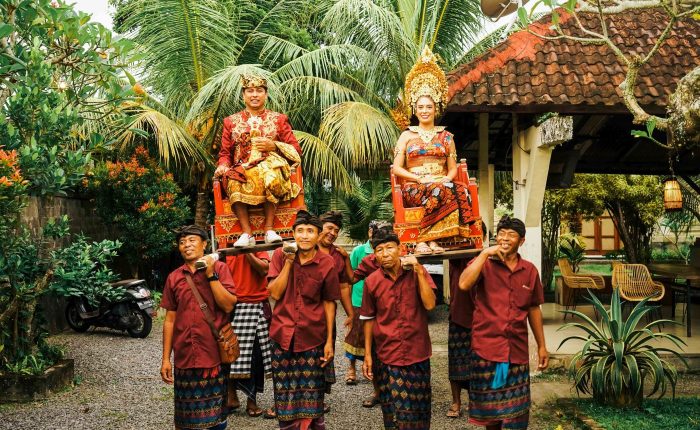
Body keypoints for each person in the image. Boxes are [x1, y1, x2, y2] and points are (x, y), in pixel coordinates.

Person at [458, 216, 549, 429]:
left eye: (512, 235)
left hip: (516, 351)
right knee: (491, 414)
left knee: (518, 415)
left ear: (522, 241)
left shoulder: (529, 270)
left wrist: (542, 346)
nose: (505, 238)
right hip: (487, 349)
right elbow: (464, 284)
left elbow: (533, 308)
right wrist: (483, 253)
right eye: (501, 233)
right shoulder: (484, 263)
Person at [391, 46, 476, 255]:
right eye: (420, 107)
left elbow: (453, 169)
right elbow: (396, 170)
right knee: (442, 192)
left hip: (440, 184)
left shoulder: (447, 137)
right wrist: (420, 180)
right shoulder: (406, 136)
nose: (424, 111)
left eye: (428, 107)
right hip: (414, 187)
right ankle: (428, 239)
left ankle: (427, 241)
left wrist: (443, 179)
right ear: (414, 109)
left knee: (454, 189)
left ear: (436, 108)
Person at [267, 210, 340, 430]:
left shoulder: (326, 263)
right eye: (300, 231)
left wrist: (329, 342)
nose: (305, 236)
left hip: (313, 337)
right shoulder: (281, 256)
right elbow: (275, 293)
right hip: (282, 336)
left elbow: (329, 303)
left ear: (318, 235)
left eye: (310, 231)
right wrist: (289, 263)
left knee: (312, 400)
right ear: (293, 234)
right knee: (285, 396)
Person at [160, 225, 238, 430]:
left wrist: (211, 275)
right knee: (185, 419)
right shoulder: (174, 277)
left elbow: (229, 304)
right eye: (182, 242)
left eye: (192, 240)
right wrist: (165, 359)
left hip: (213, 353)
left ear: (204, 244)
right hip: (184, 356)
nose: (187, 245)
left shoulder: (220, 269)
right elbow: (169, 319)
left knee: (216, 418)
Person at [361, 227, 437, 429]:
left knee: (420, 410)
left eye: (389, 248)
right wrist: (368, 354)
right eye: (379, 250)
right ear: (374, 254)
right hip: (387, 355)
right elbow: (368, 318)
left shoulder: (417, 273)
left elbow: (430, 305)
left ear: (400, 248)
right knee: (394, 414)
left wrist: (419, 270)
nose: (385, 254)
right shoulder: (372, 281)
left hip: (417, 353)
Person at [214, 74, 302, 247]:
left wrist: (274, 145)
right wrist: (223, 166)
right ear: (243, 95)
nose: (254, 95)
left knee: (270, 174)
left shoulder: (278, 119)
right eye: (250, 91)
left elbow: (296, 150)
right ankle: (247, 233)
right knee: (233, 178)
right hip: (243, 167)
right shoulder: (230, 122)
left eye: (259, 91)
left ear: (266, 94)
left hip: (272, 165)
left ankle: (269, 229)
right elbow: (225, 153)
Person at [225, 250, 275, 419]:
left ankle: (251, 400)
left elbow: (263, 269)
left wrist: (246, 250)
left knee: (256, 357)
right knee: (229, 353)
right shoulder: (225, 249)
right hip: (232, 305)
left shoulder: (257, 248)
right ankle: (231, 397)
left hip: (256, 304)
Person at [317, 211, 355, 408]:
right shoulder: (304, 248)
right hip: (302, 315)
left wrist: (351, 314)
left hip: (327, 316)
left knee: (324, 354)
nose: (332, 233)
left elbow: (344, 286)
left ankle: (318, 399)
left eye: (336, 230)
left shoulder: (337, 255)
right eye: (329, 228)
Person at [343, 220, 383, 385]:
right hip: (359, 300)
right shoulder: (360, 251)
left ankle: (374, 368)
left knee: (376, 338)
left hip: (380, 303)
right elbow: (350, 277)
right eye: (377, 233)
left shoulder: (388, 252)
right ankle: (351, 368)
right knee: (355, 336)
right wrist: (349, 309)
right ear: (369, 233)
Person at [446, 258, 474, 418]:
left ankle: (474, 400)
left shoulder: (484, 257)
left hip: (481, 318)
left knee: (477, 363)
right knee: (455, 362)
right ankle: (456, 401)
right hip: (459, 315)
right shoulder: (457, 258)